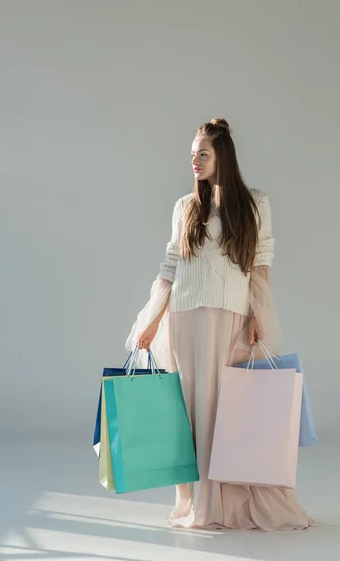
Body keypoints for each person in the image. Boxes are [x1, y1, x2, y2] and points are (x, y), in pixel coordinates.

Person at [127, 118, 314, 531]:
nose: (194, 161)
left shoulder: (255, 202)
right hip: (183, 320)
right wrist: (151, 320)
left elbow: (260, 261)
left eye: (203, 154)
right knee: (190, 412)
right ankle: (198, 502)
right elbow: (171, 264)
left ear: (222, 156)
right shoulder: (184, 206)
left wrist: (256, 315)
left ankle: (226, 499)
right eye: (192, 155)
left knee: (227, 409)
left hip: (228, 316)